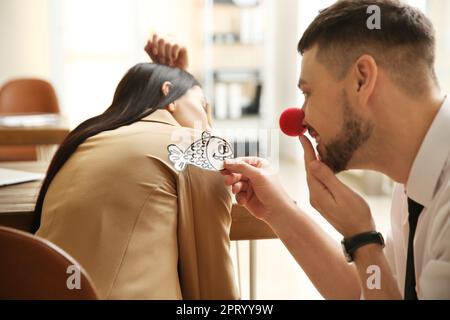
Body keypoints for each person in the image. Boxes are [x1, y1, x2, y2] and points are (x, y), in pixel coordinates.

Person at [149, 0, 450, 299]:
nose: (298, 121)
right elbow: (367, 291)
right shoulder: (411, 183)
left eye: (308, 92)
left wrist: (362, 238)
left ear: (362, 79)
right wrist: (279, 210)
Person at [33, 63, 239, 300]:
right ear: (168, 92)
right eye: (203, 105)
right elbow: (211, 282)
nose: (209, 125)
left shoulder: (83, 142)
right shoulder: (196, 147)